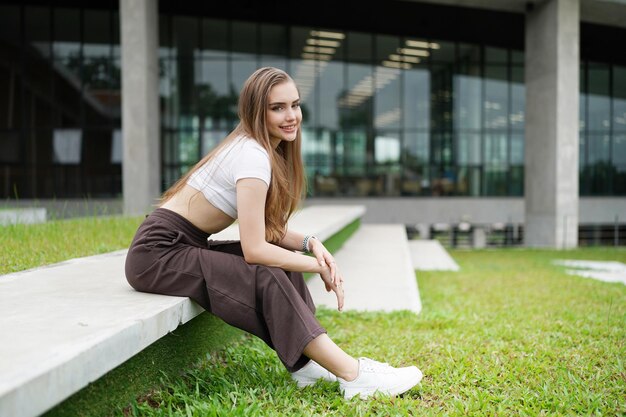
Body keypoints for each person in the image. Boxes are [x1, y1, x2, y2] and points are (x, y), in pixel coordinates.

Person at [124, 67, 423, 400]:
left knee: (281, 265)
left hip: (182, 244)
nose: (291, 115)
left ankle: (306, 368)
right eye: (277, 107)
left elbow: (268, 231)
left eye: (294, 105)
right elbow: (255, 250)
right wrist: (317, 267)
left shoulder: (257, 150)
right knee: (266, 274)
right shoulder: (252, 157)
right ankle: (354, 375)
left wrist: (312, 245)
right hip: (156, 254)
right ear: (257, 111)